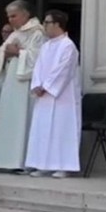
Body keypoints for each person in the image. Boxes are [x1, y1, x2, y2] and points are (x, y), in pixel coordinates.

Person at [0, 0, 46, 172]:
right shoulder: (16, 34)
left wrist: (18, 52)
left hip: (26, 84)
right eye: (8, 16)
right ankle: (5, 161)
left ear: (26, 14)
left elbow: (39, 58)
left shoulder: (38, 32)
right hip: (12, 82)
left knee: (22, 121)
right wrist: (5, 56)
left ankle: (22, 162)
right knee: (10, 120)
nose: (10, 20)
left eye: (14, 16)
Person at [24, 10, 81, 178]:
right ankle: (43, 164)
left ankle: (63, 165)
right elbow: (38, 67)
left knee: (61, 130)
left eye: (47, 22)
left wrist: (47, 86)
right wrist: (37, 85)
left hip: (62, 96)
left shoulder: (68, 45)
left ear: (57, 24)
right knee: (43, 129)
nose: (45, 26)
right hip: (44, 96)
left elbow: (62, 70)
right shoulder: (46, 46)